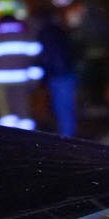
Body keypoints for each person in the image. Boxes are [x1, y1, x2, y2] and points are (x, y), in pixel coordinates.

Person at [0, 0, 41, 130]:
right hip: (22, 78)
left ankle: (8, 143)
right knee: (23, 112)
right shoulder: (25, 29)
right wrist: (35, 77)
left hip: (0, 80)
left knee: (6, 115)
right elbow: (36, 52)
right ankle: (28, 142)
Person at [32, 8, 78, 137]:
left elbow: (47, 57)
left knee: (63, 108)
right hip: (65, 73)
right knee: (64, 107)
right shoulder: (58, 31)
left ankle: (67, 138)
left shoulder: (46, 33)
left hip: (59, 74)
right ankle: (66, 135)